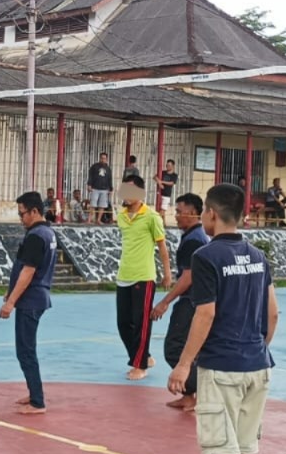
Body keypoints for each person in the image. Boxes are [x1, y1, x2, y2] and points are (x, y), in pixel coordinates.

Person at [167, 183, 278, 454]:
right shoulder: (258, 256)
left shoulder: (206, 257)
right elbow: (272, 313)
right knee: (240, 447)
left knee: (223, 452)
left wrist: (183, 366)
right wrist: (258, 348)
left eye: (203, 212)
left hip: (221, 367)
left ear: (211, 215)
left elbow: (205, 313)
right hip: (258, 365)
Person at [152, 193, 209, 412]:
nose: (176, 216)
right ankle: (189, 395)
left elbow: (188, 276)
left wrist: (164, 302)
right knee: (192, 351)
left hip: (191, 301)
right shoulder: (196, 236)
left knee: (174, 348)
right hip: (197, 300)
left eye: (179, 212)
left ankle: (201, 390)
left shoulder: (194, 240)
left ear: (194, 213)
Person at [0, 192, 56, 414]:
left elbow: (28, 271)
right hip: (37, 297)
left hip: (30, 299)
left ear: (34, 211)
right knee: (26, 349)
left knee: (25, 350)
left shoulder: (35, 236)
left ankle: (38, 401)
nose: (20, 218)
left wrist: (11, 302)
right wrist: (10, 290)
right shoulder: (47, 233)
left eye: (22, 213)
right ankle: (34, 394)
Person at [115, 175, 172, 380]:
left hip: (144, 276)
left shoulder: (152, 217)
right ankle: (143, 356)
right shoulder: (120, 216)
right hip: (124, 275)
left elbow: (162, 247)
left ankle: (140, 366)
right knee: (123, 323)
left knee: (141, 323)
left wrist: (167, 273)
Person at [87, 153, 113, 225]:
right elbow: (90, 176)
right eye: (101, 158)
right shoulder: (94, 167)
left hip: (104, 189)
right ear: (99, 158)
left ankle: (98, 220)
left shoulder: (108, 169)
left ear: (106, 159)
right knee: (93, 205)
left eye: (104, 158)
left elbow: (110, 179)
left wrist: (111, 189)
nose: (103, 160)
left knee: (102, 205)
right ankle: (89, 220)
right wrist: (89, 185)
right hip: (95, 188)